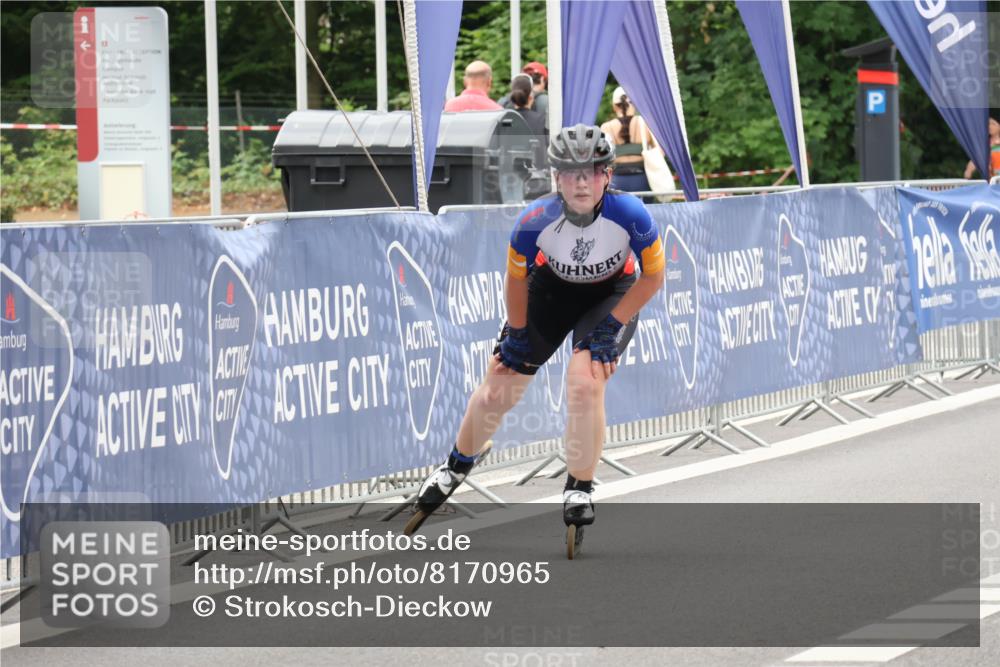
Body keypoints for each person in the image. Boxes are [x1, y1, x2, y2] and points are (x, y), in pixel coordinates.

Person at [407, 125, 666, 550]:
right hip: (551, 291)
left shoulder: (632, 214)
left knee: (585, 382)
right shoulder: (534, 220)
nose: (581, 181)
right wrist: (518, 331)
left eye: (591, 171)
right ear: (556, 178)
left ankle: (579, 486)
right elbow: (515, 279)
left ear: (607, 176)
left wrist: (612, 325)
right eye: (570, 172)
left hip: (613, 294)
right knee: (498, 388)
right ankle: (455, 466)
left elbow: (654, 276)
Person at [600, 87, 664, 193]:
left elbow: (601, 158)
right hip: (642, 180)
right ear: (634, 104)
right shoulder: (646, 123)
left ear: (614, 107)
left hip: (616, 180)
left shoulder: (606, 127)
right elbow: (660, 152)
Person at [508, 73, 548, 168]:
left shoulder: (504, 120)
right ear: (531, 95)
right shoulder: (541, 120)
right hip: (535, 176)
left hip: (507, 177)